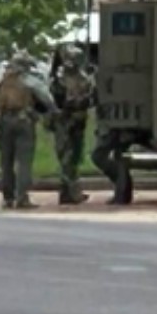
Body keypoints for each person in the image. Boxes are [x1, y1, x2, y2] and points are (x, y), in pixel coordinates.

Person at [0, 52, 56, 211]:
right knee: (24, 162)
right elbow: (47, 99)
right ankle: (22, 198)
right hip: (24, 122)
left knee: (6, 162)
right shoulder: (29, 80)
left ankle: (8, 198)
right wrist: (52, 111)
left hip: (4, 122)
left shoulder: (3, 82)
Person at [50, 43, 97, 205]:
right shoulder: (59, 78)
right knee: (66, 158)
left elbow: (90, 97)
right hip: (65, 121)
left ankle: (72, 191)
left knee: (75, 157)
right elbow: (57, 100)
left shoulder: (83, 77)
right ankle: (68, 192)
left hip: (78, 120)